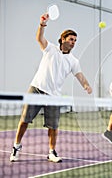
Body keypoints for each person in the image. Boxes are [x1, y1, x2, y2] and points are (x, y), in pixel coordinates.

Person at [10, 13, 92, 163]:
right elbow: (39, 38)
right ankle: (16, 146)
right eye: (71, 39)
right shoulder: (50, 49)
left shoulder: (73, 61)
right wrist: (42, 24)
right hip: (36, 89)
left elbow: (79, 75)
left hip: (54, 96)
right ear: (63, 40)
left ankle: (51, 152)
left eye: (75, 40)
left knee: (53, 126)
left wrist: (86, 85)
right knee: (24, 120)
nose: (73, 42)